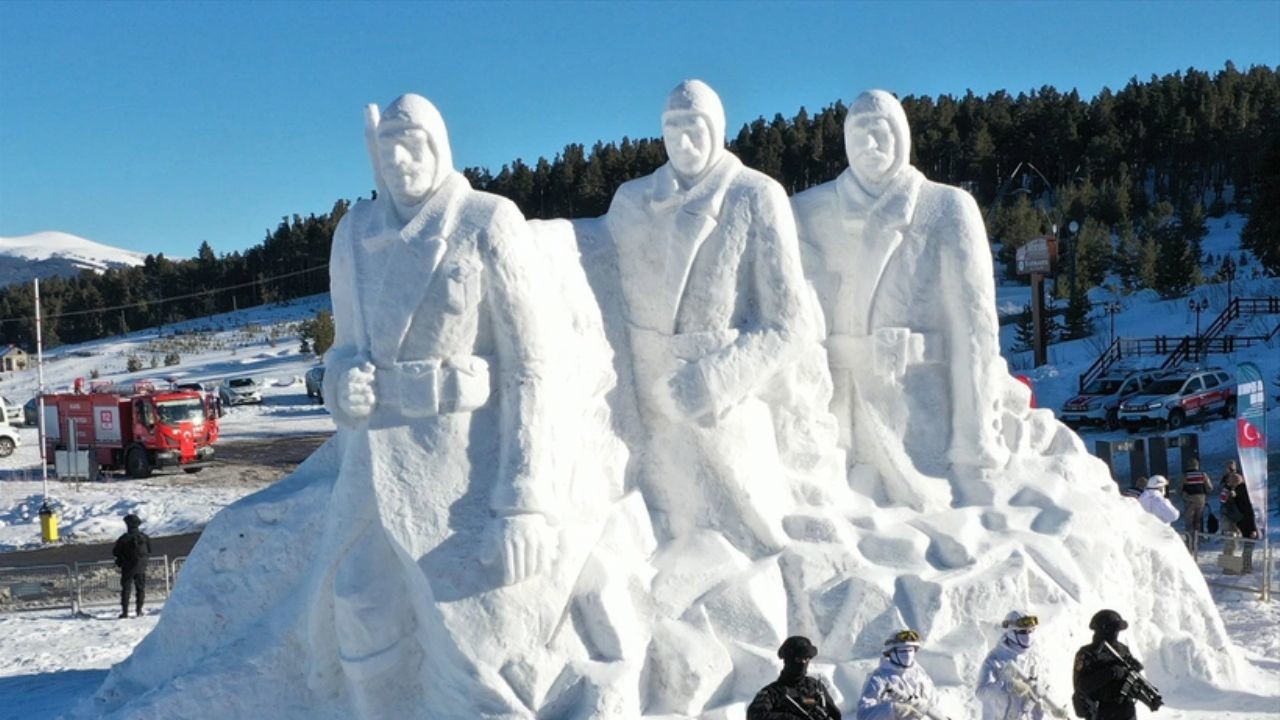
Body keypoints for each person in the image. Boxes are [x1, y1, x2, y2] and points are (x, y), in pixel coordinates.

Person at [603, 79, 832, 557]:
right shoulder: (631, 200)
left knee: (752, 549)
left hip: (720, 409)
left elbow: (790, 323)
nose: (683, 143)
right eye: (672, 130)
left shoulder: (754, 195)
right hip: (645, 412)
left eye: (695, 129)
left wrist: (713, 381)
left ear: (719, 130)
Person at [793, 90, 1008, 510]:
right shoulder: (806, 210)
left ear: (903, 136)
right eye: (858, 135)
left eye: (880, 133)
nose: (869, 146)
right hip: (833, 412)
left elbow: (975, 331)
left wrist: (976, 443)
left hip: (916, 411)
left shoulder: (945, 207)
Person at [1072, 609, 1160, 720]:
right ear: (1103, 630)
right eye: (1113, 629)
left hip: (1126, 712)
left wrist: (1148, 699)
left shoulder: (1123, 649)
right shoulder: (1087, 653)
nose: (1116, 633)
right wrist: (1110, 673)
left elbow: (1131, 684)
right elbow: (1081, 686)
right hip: (1101, 712)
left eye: (1117, 630)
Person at [976, 611, 1061, 720]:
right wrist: (1007, 685)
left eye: (1030, 631)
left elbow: (1039, 694)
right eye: (1023, 632)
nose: (1028, 635)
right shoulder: (994, 659)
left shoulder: (1033, 658)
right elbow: (980, 693)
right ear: (1011, 632)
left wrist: (1053, 709)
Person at [857, 630, 946, 720]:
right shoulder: (878, 679)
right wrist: (893, 710)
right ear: (890, 652)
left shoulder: (922, 677)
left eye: (910, 650)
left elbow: (935, 706)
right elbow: (863, 715)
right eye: (902, 651)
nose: (907, 655)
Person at [747, 636, 842, 719]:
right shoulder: (772, 693)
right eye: (798, 659)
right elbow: (754, 716)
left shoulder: (816, 687)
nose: (803, 663)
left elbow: (835, 715)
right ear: (787, 660)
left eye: (806, 659)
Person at [111, 513, 151, 619]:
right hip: (141, 567)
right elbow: (149, 551)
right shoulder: (144, 537)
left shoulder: (124, 539)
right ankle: (139, 611)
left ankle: (125, 613)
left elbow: (115, 552)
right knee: (141, 589)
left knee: (126, 590)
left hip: (128, 567)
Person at [1220, 466, 1259, 574]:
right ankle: (1238, 568)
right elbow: (1247, 510)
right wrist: (1252, 528)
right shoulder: (1238, 490)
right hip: (1233, 520)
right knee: (1233, 545)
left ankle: (1230, 568)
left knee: (1230, 545)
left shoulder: (1229, 489)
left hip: (1231, 520)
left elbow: (1222, 502)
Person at [1179, 459, 1213, 536]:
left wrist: (1182, 495)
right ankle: (1198, 538)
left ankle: (1190, 540)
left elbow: (1179, 489)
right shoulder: (1203, 475)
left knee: (1189, 521)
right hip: (1201, 499)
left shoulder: (1185, 475)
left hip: (1189, 500)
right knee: (1198, 520)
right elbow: (1210, 488)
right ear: (1197, 466)